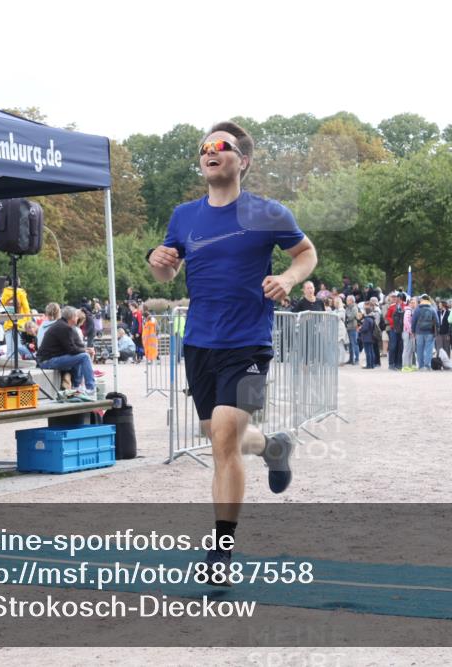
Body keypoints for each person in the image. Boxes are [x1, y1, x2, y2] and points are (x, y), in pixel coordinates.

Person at [146, 120, 317, 581]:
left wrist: (287, 278)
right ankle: (274, 448)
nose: (210, 151)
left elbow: (306, 253)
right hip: (199, 343)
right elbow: (165, 273)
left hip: (248, 343)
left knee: (223, 437)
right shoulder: (184, 216)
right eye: (204, 147)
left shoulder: (268, 213)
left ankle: (221, 553)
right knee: (222, 438)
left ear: (242, 160)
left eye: (221, 146)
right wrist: (157, 263)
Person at [36, 306, 97, 395]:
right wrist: (85, 351)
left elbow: (73, 348)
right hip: (47, 361)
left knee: (81, 356)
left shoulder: (62, 325)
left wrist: (85, 349)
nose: (77, 318)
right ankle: (90, 388)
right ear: (72, 317)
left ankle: (76, 387)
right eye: (76, 316)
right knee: (84, 357)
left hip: (47, 359)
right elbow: (72, 350)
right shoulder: (64, 328)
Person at [0, 276, 31, 360]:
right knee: (18, 347)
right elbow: (26, 308)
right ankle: (31, 356)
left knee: (11, 351)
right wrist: (29, 321)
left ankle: (11, 367)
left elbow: (1, 306)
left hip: (8, 324)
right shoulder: (21, 293)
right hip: (19, 323)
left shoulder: (5, 292)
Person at [411, 295, 438, 371]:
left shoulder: (417, 309)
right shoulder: (432, 308)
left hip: (419, 332)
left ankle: (421, 366)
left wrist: (413, 331)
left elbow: (413, 321)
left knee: (419, 349)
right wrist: (437, 331)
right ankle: (427, 366)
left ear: (421, 300)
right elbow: (437, 321)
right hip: (430, 332)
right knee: (429, 349)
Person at [359, 304, 378, 369]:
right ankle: (372, 364)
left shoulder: (367, 319)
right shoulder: (372, 318)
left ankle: (369, 365)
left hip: (366, 337)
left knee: (368, 352)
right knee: (371, 351)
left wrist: (360, 329)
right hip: (371, 337)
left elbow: (365, 328)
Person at [401, 296, 417, 371]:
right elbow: (406, 322)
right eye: (412, 302)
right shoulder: (408, 311)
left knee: (411, 350)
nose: (413, 304)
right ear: (409, 303)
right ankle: (405, 366)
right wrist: (411, 331)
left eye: (414, 302)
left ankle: (409, 365)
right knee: (407, 349)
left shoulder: (412, 311)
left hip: (410, 333)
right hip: (407, 332)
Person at [343, 295, 360, 365]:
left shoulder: (354, 308)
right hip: (348, 328)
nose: (346, 301)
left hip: (353, 328)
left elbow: (350, 317)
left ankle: (357, 359)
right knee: (350, 344)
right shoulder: (347, 308)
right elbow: (345, 317)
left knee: (354, 343)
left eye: (347, 300)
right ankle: (351, 359)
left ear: (351, 301)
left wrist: (346, 315)